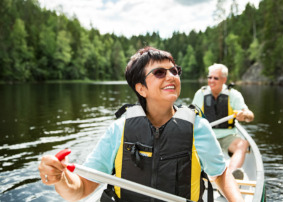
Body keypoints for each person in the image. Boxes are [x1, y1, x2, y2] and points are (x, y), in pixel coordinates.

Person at [38, 47, 243, 202]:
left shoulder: (197, 127)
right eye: (160, 73)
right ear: (141, 89)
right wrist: (61, 179)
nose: (172, 76)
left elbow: (221, 175)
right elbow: (81, 188)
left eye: (174, 70)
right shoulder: (119, 130)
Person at [192, 63, 254, 180]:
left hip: (227, 137)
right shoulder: (200, 94)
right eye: (209, 77)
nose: (211, 81)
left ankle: (230, 176)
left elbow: (250, 115)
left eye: (216, 78)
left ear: (224, 79)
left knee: (243, 144)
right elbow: (192, 116)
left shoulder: (234, 95)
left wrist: (244, 115)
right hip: (206, 135)